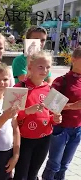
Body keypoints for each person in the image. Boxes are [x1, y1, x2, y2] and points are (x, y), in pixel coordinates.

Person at [13, 51, 62, 180]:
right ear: (30, 68)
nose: (44, 70)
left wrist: (56, 119)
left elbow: (51, 116)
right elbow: (10, 116)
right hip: (24, 139)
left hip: (44, 138)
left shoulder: (50, 89)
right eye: (40, 66)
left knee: (33, 174)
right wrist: (27, 111)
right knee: (21, 175)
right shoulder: (19, 87)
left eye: (48, 67)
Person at [42, 47, 81, 180]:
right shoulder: (62, 81)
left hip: (77, 129)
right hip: (61, 128)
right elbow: (50, 105)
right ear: (74, 59)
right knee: (54, 164)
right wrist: (72, 106)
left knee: (65, 165)